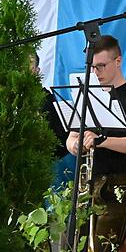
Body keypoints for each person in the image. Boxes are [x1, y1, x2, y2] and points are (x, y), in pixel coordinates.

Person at [65, 35, 126, 252]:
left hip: (119, 184)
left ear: (118, 61)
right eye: (92, 67)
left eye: (101, 66)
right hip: (87, 182)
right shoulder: (86, 96)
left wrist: (104, 141)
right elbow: (70, 139)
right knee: (74, 244)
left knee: (105, 247)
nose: (96, 72)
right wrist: (76, 145)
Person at [31, 53, 76, 190]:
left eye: (30, 64)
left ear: (37, 71)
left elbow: (56, 141)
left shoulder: (45, 100)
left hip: (48, 164)